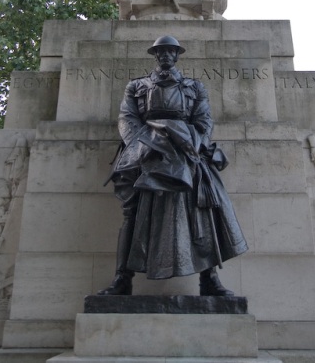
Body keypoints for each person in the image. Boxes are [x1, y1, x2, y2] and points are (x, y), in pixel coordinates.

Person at [98, 35, 248, 296]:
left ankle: (209, 279)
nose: (165, 55)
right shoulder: (137, 86)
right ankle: (122, 278)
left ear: (177, 55)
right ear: (154, 56)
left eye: (170, 51)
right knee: (131, 215)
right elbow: (128, 120)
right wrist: (146, 147)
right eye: (161, 52)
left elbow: (204, 122)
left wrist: (190, 145)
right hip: (145, 153)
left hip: (186, 152)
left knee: (205, 208)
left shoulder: (194, 87)